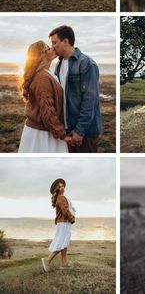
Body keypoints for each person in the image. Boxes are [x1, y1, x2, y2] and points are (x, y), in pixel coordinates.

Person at [49, 25, 102, 153]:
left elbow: (90, 100)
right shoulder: (59, 64)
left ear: (66, 42)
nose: (52, 47)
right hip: (67, 130)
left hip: (85, 132)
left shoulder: (87, 64)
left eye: (54, 43)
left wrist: (79, 130)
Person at [18, 41, 71, 153]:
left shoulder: (47, 73)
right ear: (41, 55)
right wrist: (62, 134)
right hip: (42, 135)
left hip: (44, 131)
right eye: (48, 48)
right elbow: (47, 110)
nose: (52, 48)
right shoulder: (42, 77)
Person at [41, 179, 76, 272]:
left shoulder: (61, 198)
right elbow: (65, 211)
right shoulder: (61, 197)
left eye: (62, 186)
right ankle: (47, 261)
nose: (62, 188)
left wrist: (71, 208)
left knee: (64, 242)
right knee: (61, 242)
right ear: (57, 190)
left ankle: (64, 263)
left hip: (63, 223)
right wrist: (72, 218)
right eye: (59, 187)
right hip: (64, 222)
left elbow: (65, 208)